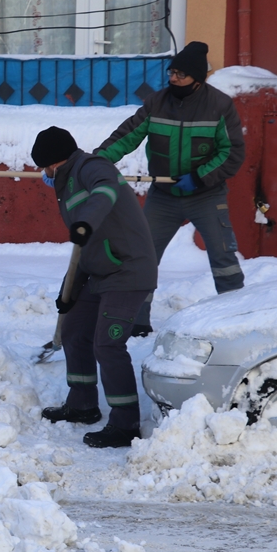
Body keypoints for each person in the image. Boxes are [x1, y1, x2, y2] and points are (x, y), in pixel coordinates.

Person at [94, 41, 246, 337]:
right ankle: (136, 320)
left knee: (223, 257)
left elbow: (232, 153)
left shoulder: (220, 106)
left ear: (198, 80)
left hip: (206, 194)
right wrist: (97, 162)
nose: (173, 78)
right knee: (141, 257)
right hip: (163, 197)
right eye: (171, 72)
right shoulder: (157, 102)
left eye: (180, 74)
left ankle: (237, 319)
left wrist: (200, 177)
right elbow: (127, 136)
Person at [32, 126, 158, 448]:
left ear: (53, 163)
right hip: (100, 271)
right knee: (74, 329)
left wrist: (84, 221)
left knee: (107, 344)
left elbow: (105, 193)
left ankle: (125, 422)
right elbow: (84, 249)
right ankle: (83, 404)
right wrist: (69, 290)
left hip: (128, 270)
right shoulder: (67, 182)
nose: (43, 175)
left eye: (43, 168)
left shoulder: (92, 167)